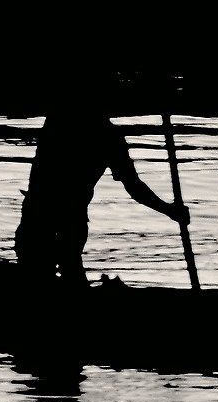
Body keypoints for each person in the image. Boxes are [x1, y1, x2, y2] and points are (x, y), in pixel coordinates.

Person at [15, 88, 189, 288]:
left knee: (58, 271)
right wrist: (169, 210)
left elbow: (133, 186)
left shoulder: (73, 123)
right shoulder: (72, 123)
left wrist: (169, 210)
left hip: (64, 216)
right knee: (48, 272)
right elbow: (133, 186)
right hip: (43, 214)